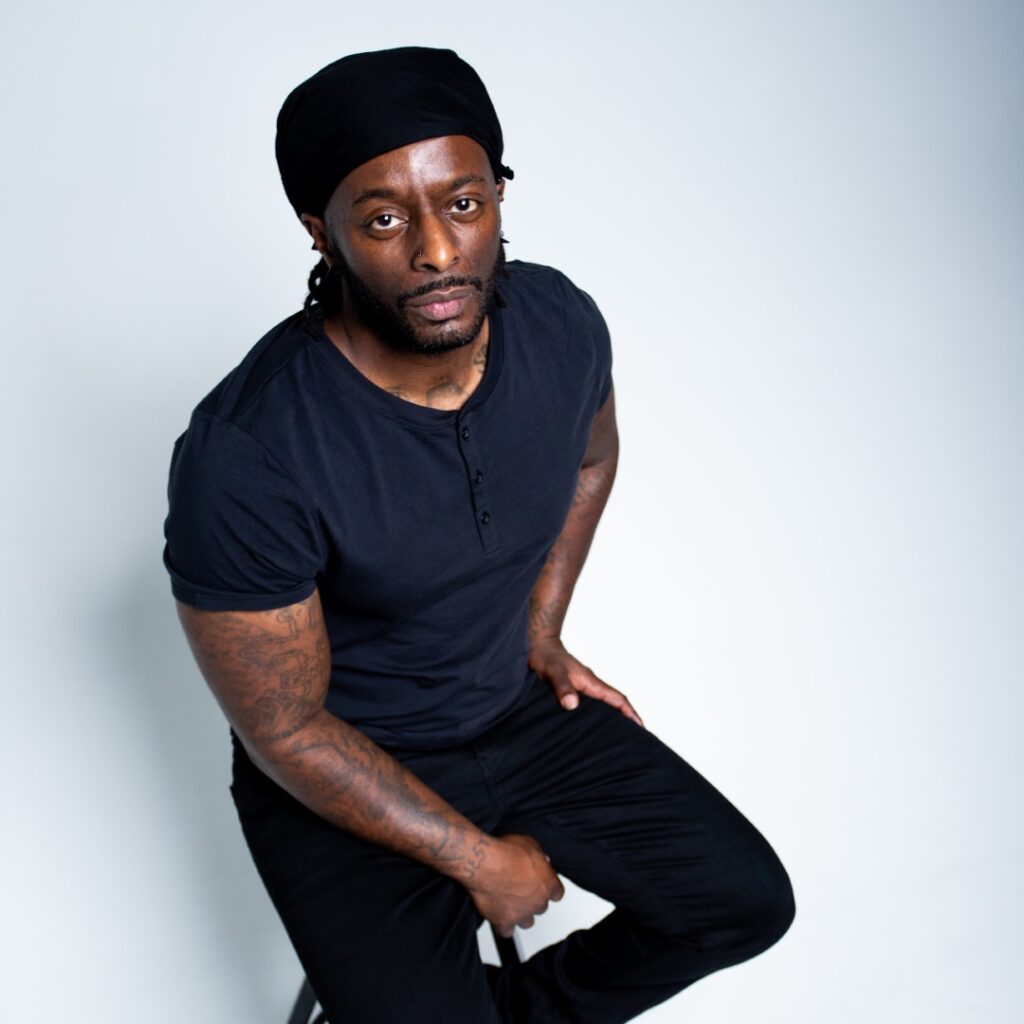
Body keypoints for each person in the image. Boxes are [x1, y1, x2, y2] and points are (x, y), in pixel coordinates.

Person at [164, 46, 794, 1024]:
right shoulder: (248, 452)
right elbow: (284, 726)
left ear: (497, 194)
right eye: (382, 217)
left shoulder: (559, 323)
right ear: (319, 232)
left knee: (740, 903)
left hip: (512, 713)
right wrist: (478, 858)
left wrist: (540, 631)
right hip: (345, 765)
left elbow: (591, 459)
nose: (436, 249)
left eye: (463, 203)